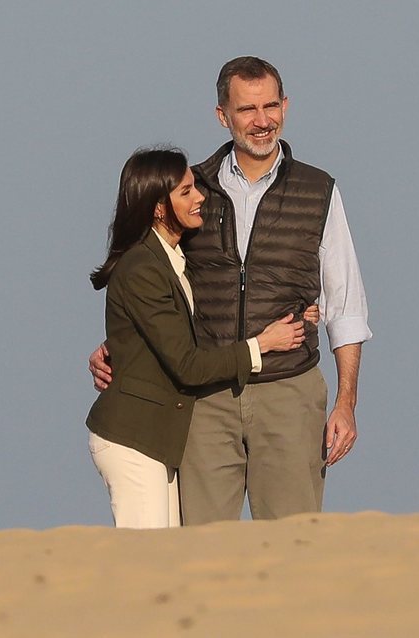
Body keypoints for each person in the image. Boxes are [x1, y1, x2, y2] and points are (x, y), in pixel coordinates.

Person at [90, 57, 372, 524]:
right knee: (201, 548)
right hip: (204, 401)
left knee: (293, 543)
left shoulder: (318, 190)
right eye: (247, 109)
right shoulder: (192, 190)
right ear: (223, 115)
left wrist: (346, 404)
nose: (262, 121)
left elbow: (346, 305)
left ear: (286, 105)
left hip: (289, 392)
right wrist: (116, 344)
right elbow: (154, 278)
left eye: (270, 106)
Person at [86, 147, 309, 529]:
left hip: (158, 441)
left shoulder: (173, 258)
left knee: (168, 558)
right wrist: (263, 345)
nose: (200, 197)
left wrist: (304, 307)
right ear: (158, 207)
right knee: (148, 561)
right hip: (134, 438)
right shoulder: (142, 267)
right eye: (186, 191)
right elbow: (187, 364)